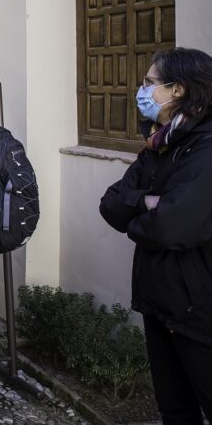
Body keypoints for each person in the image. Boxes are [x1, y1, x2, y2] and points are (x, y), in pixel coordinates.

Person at [99, 47, 212, 424]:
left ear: (177, 89)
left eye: (149, 83)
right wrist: (148, 202)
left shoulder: (205, 146)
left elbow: (171, 225)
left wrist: (145, 215)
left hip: (198, 310)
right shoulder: (160, 144)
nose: (141, 90)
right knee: (175, 409)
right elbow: (111, 204)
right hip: (158, 302)